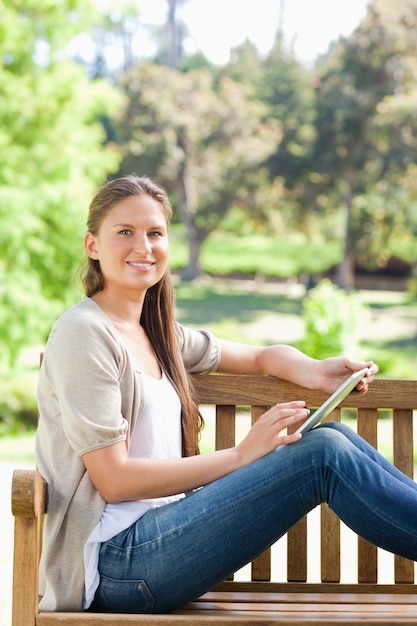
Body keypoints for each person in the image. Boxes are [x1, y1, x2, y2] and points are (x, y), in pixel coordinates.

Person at [36, 175, 417, 615]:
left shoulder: (158, 335)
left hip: (160, 539)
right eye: (125, 232)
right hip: (116, 563)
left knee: (335, 440)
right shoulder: (83, 333)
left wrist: (316, 371)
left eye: (155, 233)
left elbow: (257, 357)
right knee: (323, 454)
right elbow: (115, 480)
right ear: (93, 245)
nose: (144, 247)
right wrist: (241, 455)